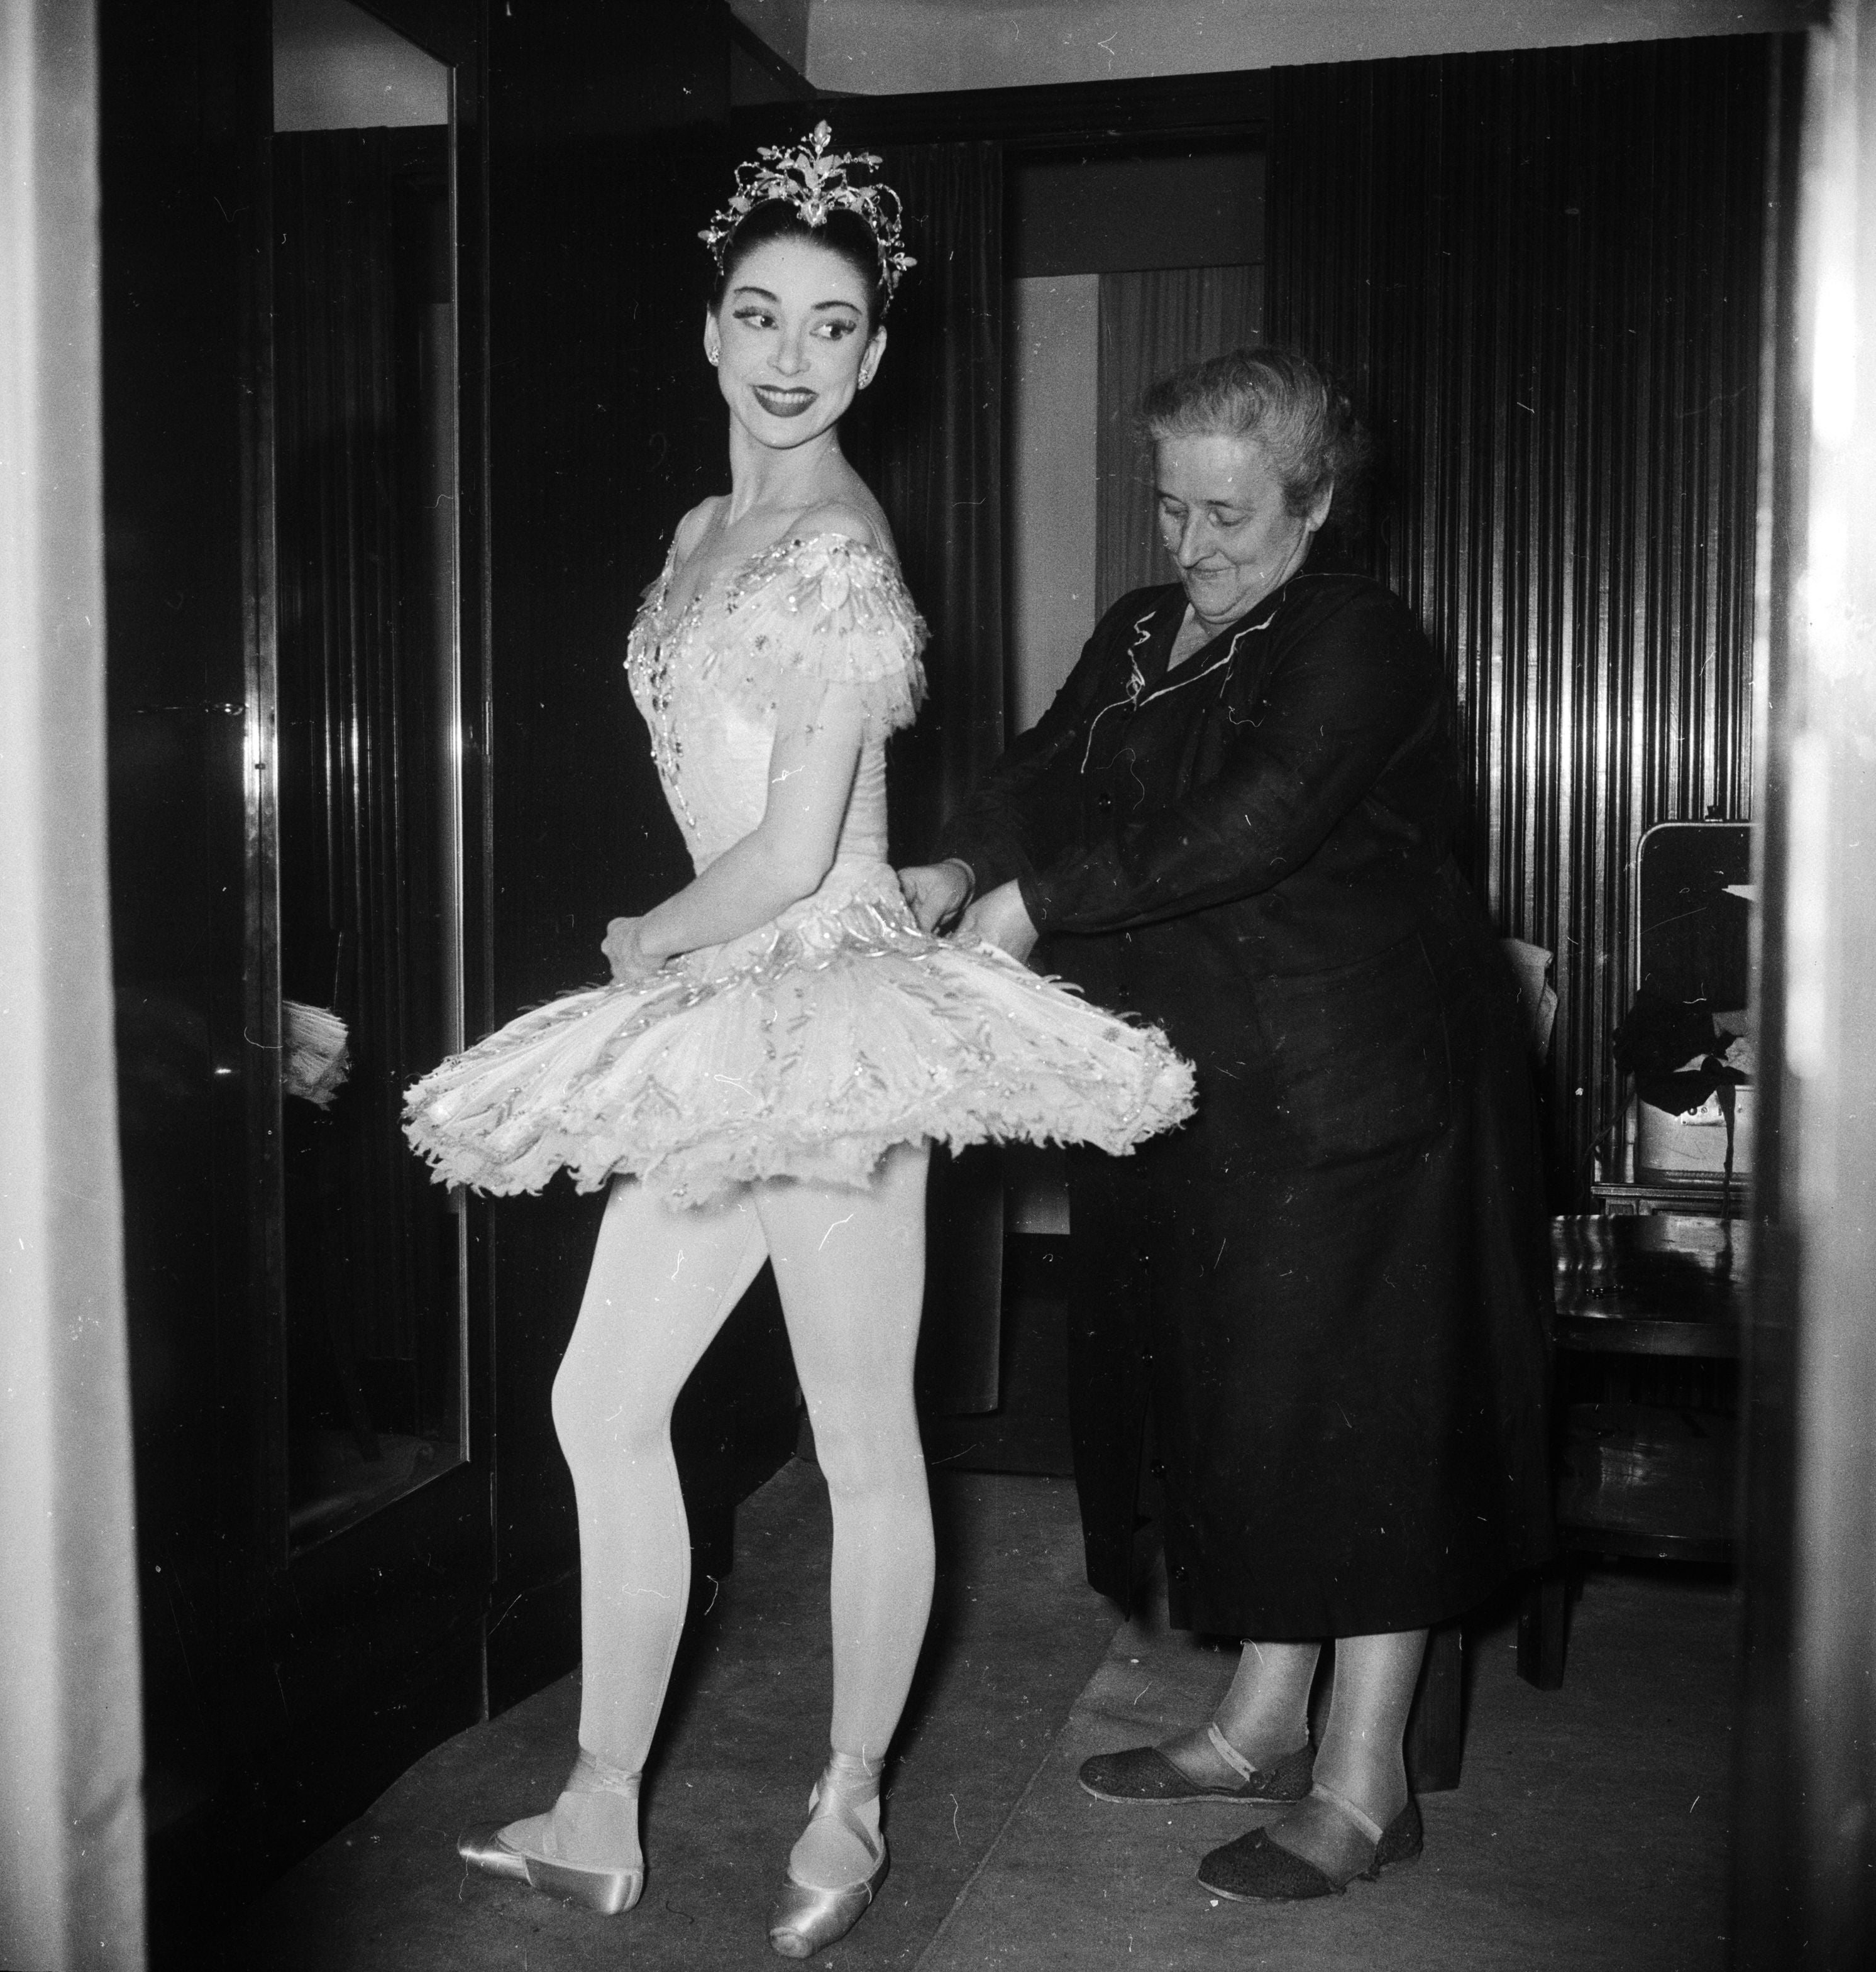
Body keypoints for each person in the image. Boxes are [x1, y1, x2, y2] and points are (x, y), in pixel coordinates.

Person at [402, 125, 1191, 1958]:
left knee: (858, 1438)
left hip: (821, 1006)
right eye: (758, 313)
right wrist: (673, 959)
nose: (786, 354)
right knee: (603, 1400)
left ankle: (847, 1796)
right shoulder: (704, 533)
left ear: (872, 356)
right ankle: (601, 1803)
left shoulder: (842, 544)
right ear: (710, 329)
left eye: (828, 327)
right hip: (718, 1009)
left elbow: (784, 841)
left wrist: (637, 944)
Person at [902, 347, 1553, 1903]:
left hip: (1362, 1085)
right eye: (1170, 508)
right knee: (1253, 1410)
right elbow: (1049, 767)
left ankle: (1364, 1777)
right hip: (1208, 1079)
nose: (1192, 547)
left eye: (1230, 517)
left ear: (1315, 506)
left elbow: (1256, 817)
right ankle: (1261, 1722)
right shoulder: (1145, 627)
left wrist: (1034, 908)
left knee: (1364, 1419)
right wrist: (953, 865)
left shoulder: (1361, 637)